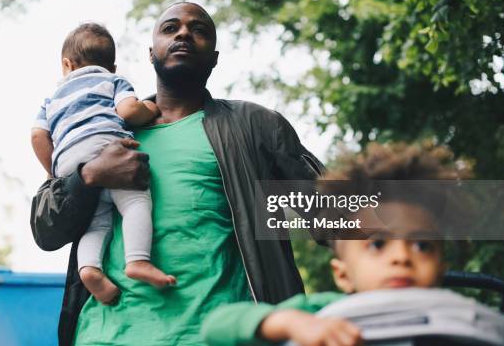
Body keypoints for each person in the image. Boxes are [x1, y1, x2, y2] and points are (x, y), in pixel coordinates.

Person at [30, 2, 323, 346]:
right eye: (170, 28)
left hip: (219, 336)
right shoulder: (101, 129)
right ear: (151, 54)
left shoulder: (253, 126)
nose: (183, 32)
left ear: (214, 57)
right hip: (104, 335)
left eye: (198, 30)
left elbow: (348, 215)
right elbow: (45, 231)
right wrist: (91, 175)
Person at [200, 142, 473, 346]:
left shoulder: (465, 317)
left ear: (441, 267)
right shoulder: (323, 312)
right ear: (343, 275)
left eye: (422, 246)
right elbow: (215, 326)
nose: (401, 257)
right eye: (378, 244)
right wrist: (289, 322)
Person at [31, 23, 175, 305]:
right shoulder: (112, 80)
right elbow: (129, 110)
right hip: (106, 146)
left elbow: (37, 135)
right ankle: (138, 261)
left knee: (96, 224)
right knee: (135, 203)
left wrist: (52, 171)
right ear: (112, 65)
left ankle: (90, 270)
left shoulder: (51, 99)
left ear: (67, 64)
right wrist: (152, 108)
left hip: (69, 163)